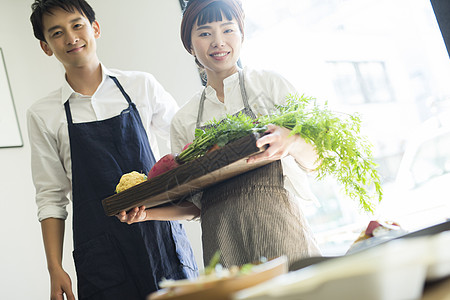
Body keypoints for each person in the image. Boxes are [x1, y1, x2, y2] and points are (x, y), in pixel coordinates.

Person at [118, 0, 321, 270]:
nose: (218, 41)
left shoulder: (269, 85)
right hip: (222, 243)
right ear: (189, 45)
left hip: (280, 229)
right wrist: (147, 214)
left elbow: (316, 160)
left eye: (227, 30)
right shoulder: (184, 119)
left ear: (241, 34)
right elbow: (195, 207)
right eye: (204, 33)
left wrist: (291, 142)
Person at [27, 1, 198, 299]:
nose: (71, 37)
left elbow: (188, 146)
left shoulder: (141, 86)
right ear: (45, 46)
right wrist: (54, 267)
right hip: (101, 255)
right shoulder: (43, 114)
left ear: (95, 28)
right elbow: (50, 198)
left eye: (77, 25)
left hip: (160, 240)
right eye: (57, 33)